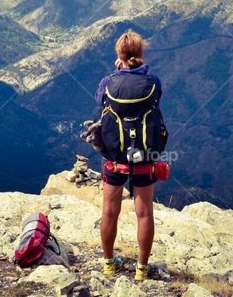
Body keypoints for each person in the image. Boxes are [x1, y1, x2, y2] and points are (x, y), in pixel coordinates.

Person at [94, 30, 162, 282]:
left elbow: (100, 103)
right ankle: (142, 269)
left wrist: (118, 72)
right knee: (144, 213)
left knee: (110, 211)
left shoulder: (107, 82)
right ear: (141, 54)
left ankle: (109, 263)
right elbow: (155, 101)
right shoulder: (153, 82)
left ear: (118, 56)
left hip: (115, 158)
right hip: (145, 157)